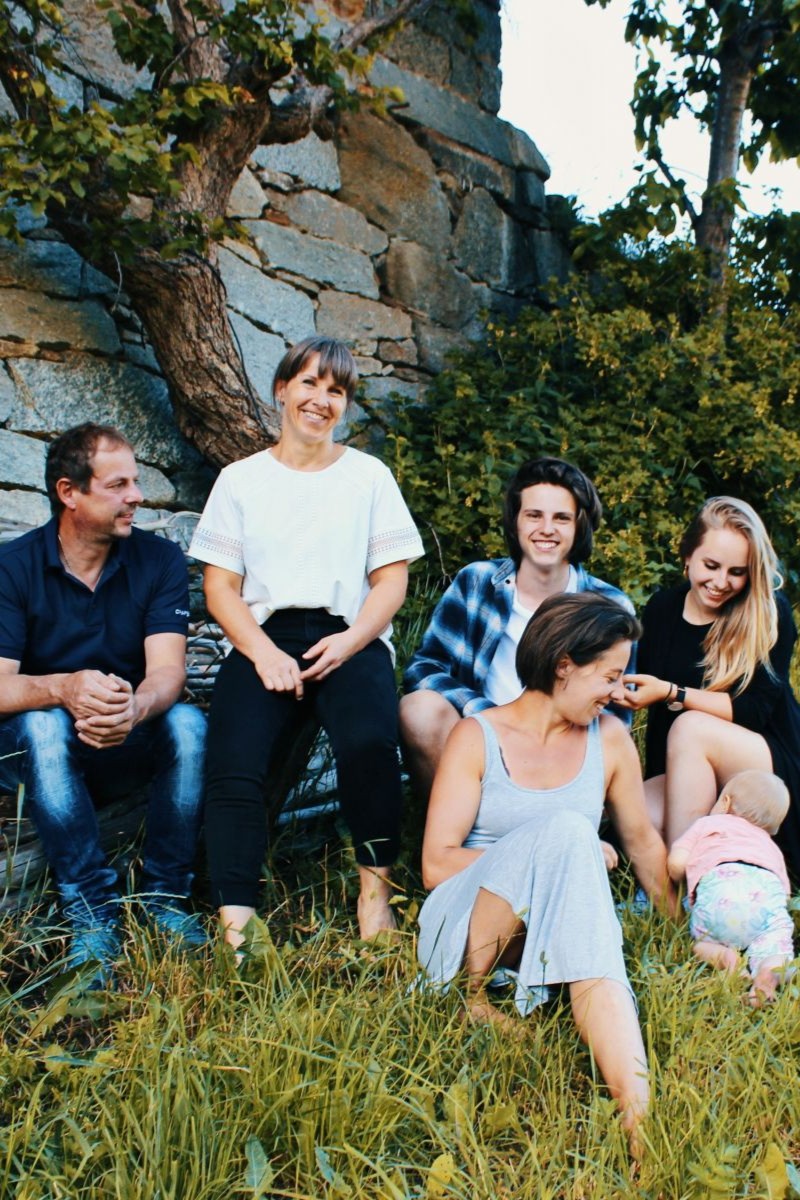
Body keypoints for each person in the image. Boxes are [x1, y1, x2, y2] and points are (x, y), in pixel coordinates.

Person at [189, 336, 424, 949]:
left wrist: (350, 643)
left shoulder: (368, 476)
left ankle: (375, 898)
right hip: (263, 637)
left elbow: (391, 581)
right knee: (233, 764)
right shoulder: (240, 480)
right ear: (282, 390)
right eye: (310, 383)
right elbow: (220, 587)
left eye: (336, 390)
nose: (321, 399)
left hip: (350, 635)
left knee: (370, 745)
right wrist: (262, 653)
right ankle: (239, 925)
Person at [417, 592, 673, 1142]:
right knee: (567, 833)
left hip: (554, 929)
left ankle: (638, 1113)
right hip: (465, 925)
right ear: (563, 665)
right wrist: (551, 850)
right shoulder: (477, 735)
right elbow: (436, 865)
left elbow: (642, 844)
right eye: (609, 676)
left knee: (573, 855)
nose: (618, 692)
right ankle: (471, 998)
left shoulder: (610, 739)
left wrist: (682, 925)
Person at [0, 423, 207, 984]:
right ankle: (92, 912)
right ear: (70, 492)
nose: (136, 496)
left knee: (188, 724)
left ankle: (165, 898)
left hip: (124, 732)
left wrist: (133, 710)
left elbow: (167, 671)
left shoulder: (158, 559)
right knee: (43, 725)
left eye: (135, 482)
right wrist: (63, 689)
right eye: (118, 485)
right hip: (34, 751)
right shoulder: (14, 567)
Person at [400, 457, 635, 801]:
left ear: (580, 526)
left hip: (563, 753)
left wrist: (550, 737)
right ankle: (457, 827)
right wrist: (489, 715)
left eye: (561, 518)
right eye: (534, 515)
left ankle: (548, 821)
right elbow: (424, 669)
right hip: (482, 740)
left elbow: (617, 707)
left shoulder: (610, 606)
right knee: (418, 709)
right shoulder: (477, 582)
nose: (547, 529)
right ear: (516, 521)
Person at [620, 496, 800, 872]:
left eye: (737, 572)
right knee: (628, 814)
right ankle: (695, 866)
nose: (720, 583)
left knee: (691, 726)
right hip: (693, 768)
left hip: (764, 767)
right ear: (688, 556)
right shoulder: (662, 609)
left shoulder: (768, 613)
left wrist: (672, 693)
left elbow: (753, 712)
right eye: (711, 566)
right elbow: (655, 717)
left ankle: (686, 883)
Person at [667, 770, 794, 1006]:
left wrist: (679, 880)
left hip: (721, 895)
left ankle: (726, 958)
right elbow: (784, 894)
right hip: (766, 897)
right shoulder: (771, 846)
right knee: (775, 943)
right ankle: (768, 972)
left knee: (702, 944)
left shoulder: (709, 823)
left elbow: (677, 862)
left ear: (724, 803)